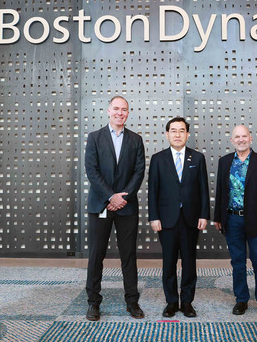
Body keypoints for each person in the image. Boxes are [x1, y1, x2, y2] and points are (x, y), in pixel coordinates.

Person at [84, 96, 146, 321]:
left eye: (125, 110)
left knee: (128, 255)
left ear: (128, 113)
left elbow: (139, 172)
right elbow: (91, 171)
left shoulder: (136, 140)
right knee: (96, 255)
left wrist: (122, 199)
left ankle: (132, 301)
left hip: (126, 207)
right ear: (108, 110)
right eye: (116, 109)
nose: (120, 113)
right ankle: (93, 302)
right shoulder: (94, 138)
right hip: (100, 204)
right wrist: (110, 196)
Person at [148, 117, 210, 318]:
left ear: (187, 134)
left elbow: (203, 189)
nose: (177, 134)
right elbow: (153, 191)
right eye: (173, 131)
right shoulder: (158, 159)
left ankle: (187, 302)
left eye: (181, 131)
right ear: (167, 134)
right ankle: (171, 302)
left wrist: (204, 214)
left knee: (189, 262)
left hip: (191, 218)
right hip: (166, 219)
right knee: (169, 262)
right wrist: (154, 217)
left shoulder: (197, 158)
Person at [213, 125, 257, 316]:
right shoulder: (224, 162)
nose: (241, 140)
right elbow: (220, 191)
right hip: (232, 219)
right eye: (237, 137)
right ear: (232, 140)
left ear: (250, 139)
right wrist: (218, 216)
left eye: (244, 136)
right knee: (238, 262)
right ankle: (241, 300)